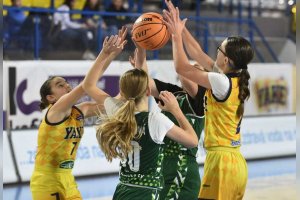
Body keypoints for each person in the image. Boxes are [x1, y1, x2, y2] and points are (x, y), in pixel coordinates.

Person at [82, 29, 198, 200]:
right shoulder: (155, 119)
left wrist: (105, 53)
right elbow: (192, 141)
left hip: (122, 190)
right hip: (146, 193)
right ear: (148, 92)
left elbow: (88, 85)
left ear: (121, 90)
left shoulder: (117, 109)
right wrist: (176, 111)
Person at [163, 1, 254, 199]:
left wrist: (175, 37)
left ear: (226, 60)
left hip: (222, 163)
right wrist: (181, 27)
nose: (215, 53)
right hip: (235, 161)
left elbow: (181, 68)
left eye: (219, 50)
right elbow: (197, 53)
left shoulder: (221, 81)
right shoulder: (232, 77)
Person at [29, 29, 129, 199]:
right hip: (47, 179)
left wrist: (131, 87)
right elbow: (86, 85)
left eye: (67, 83)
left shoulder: (80, 111)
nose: (67, 86)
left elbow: (113, 105)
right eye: (60, 85)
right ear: (51, 97)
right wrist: (105, 54)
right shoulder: (55, 110)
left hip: (68, 178)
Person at [129, 43, 206, 200]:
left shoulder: (201, 98)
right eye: (193, 67)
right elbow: (145, 85)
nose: (193, 69)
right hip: (162, 166)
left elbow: (183, 72)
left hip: (182, 168)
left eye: (197, 70)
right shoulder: (174, 92)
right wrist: (142, 48)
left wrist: (175, 35)